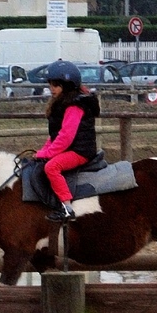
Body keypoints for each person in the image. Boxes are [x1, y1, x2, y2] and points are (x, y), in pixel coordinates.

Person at [32, 60, 99, 222]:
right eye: (50, 84)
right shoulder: (62, 103)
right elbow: (55, 135)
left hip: (80, 151)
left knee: (52, 167)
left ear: (67, 85)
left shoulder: (74, 106)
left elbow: (66, 136)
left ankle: (67, 208)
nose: (51, 88)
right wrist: (43, 152)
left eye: (55, 85)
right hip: (71, 148)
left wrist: (48, 154)